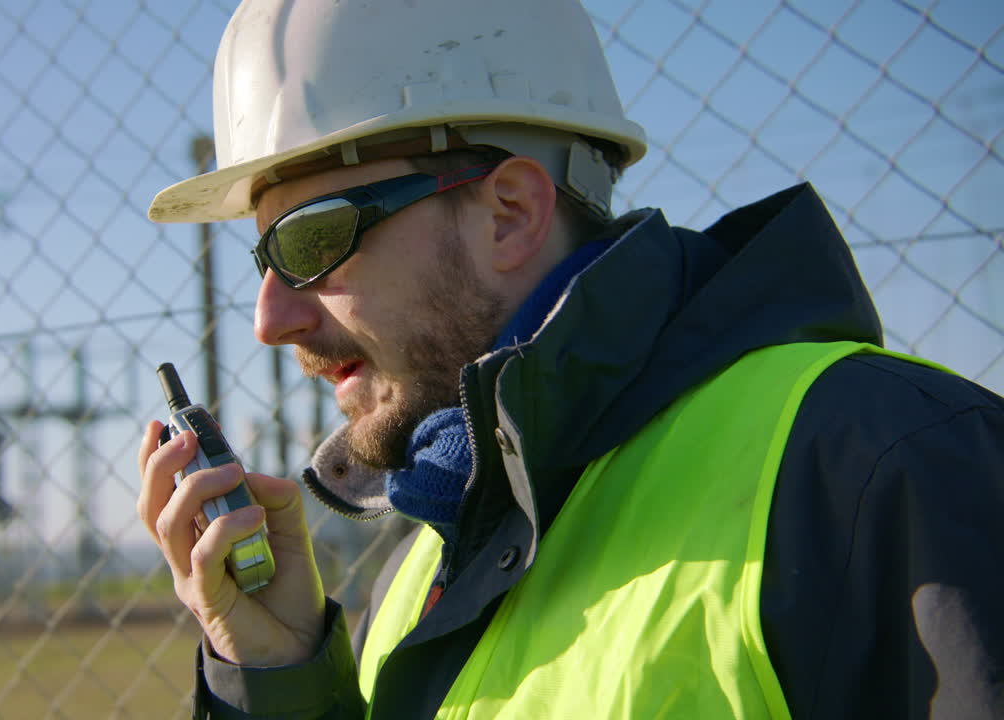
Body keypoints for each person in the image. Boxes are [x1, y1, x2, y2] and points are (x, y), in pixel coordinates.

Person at [136, 1, 1004, 717]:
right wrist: (281, 674)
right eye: (265, 259)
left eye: (312, 241)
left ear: (509, 212)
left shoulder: (887, 471)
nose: (269, 319)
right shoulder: (424, 574)